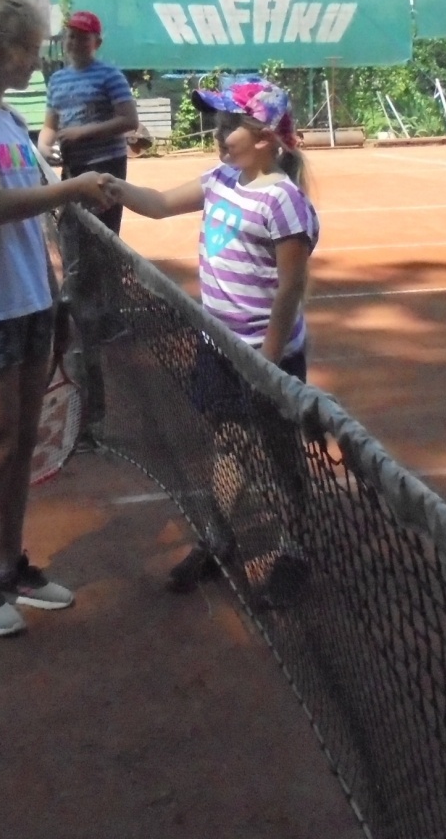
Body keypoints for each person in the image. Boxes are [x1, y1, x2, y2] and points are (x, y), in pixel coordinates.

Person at [0, 0, 117, 638]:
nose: (40, 59)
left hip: (34, 300)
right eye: (31, 48)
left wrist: (56, 291)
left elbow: (36, 216)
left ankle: (10, 565)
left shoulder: (8, 118)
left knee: (23, 444)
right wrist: (75, 187)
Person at [101, 75, 319, 599]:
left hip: (267, 356)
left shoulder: (283, 201)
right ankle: (220, 538)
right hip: (217, 346)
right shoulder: (220, 179)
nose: (220, 133)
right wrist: (110, 186)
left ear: (265, 138)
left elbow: (291, 286)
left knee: (281, 452)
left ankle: (297, 547)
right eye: (218, 122)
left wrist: (266, 363)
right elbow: (154, 202)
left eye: (232, 125)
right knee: (228, 442)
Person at [38, 10, 138, 234]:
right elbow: (50, 126)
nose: (75, 42)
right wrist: (44, 147)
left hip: (106, 167)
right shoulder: (57, 79)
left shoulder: (110, 75)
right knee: (71, 233)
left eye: (83, 37)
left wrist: (82, 133)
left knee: (102, 235)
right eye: (71, 36)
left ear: (97, 43)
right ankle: (76, 271)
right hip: (72, 167)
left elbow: (129, 119)